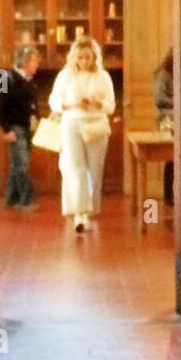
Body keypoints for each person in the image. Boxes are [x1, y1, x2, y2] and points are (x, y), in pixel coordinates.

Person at [48, 36, 116, 233]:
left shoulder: (103, 77)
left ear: (95, 57)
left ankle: (90, 209)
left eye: (88, 57)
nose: (85, 62)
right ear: (74, 58)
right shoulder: (65, 76)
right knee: (75, 169)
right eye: (81, 58)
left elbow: (111, 106)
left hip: (96, 125)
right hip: (72, 124)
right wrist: (70, 104)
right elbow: (54, 101)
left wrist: (97, 103)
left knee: (94, 170)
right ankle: (79, 213)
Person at [0, 45, 40, 210]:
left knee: (18, 165)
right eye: (35, 61)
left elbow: (32, 106)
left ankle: (10, 199)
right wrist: (6, 130)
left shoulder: (30, 81)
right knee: (22, 165)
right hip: (15, 128)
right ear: (25, 62)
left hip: (28, 128)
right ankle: (28, 200)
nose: (37, 65)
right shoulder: (3, 76)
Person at [153, 49, 175, 203]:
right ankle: (169, 194)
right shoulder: (164, 74)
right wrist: (179, 102)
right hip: (167, 118)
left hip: (179, 117)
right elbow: (159, 99)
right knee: (170, 156)